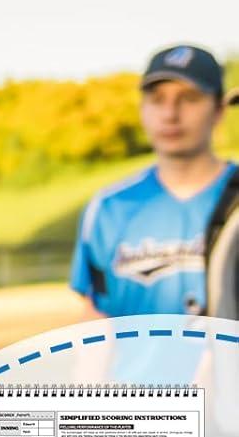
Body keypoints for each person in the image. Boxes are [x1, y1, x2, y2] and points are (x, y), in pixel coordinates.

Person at [71, 43, 234, 318]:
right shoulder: (110, 208)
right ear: (142, 109)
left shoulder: (235, 201)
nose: (170, 114)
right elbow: (99, 333)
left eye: (189, 98)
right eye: (157, 99)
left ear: (218, 110)